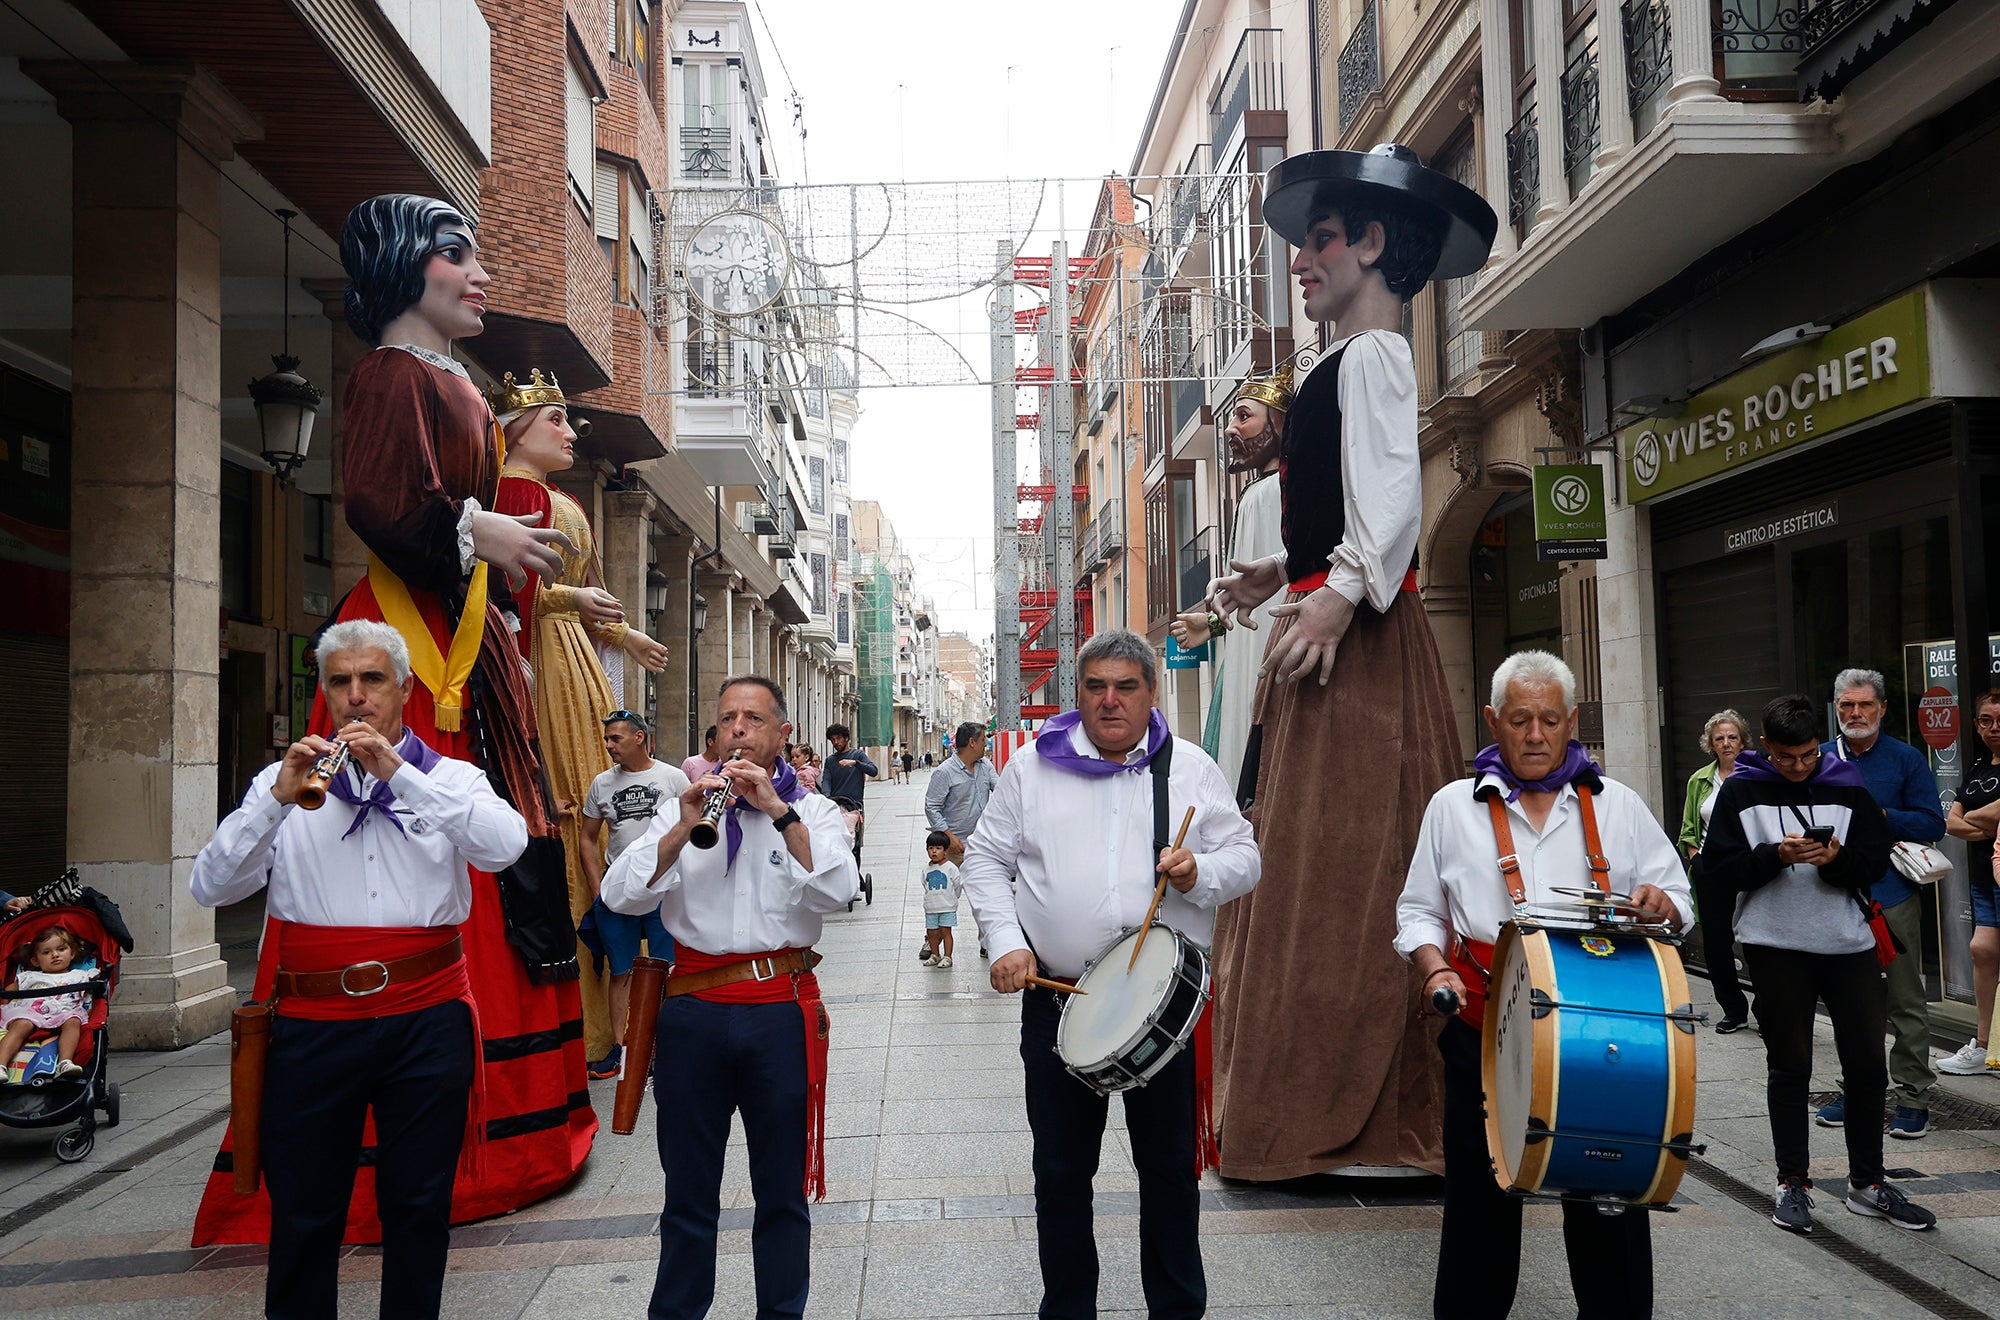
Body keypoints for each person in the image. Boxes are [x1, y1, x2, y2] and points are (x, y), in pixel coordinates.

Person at [194, 195, 592, 1247]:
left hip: (459, 631)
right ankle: (463, 1125)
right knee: (422, 816)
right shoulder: (389, 376)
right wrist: (482, 528)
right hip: (414, 637)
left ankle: (490, 1122)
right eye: (456, 255)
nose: (479, 273)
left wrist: (502, 554)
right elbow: (377, 497)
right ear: (404, 268)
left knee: (482, 834)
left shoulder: (447, 379)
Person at [1206, 144, 1495, 1180]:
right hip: (1337, 632)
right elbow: (1344, 507)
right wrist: (1274, 578)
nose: (1299, 262)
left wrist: (1331, 596)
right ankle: (1349, 1116)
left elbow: (1392, 504)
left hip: (1361, 649)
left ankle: (1368, 1121)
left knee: (1348, 872)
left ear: (1370, 242)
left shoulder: (1371, 354)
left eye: (1316, 240)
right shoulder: (1338, 362)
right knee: (1328, 868)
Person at [190, 620, 531, 1316]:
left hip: (426, 1017)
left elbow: (505, 847)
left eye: (372, 680)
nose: (356, 697)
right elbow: (210, 888)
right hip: (315, 1023)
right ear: (324, 689)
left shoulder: (451, 777)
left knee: (417, 1204)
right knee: (306, 1209)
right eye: (341, 681)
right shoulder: (281, 782)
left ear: (404, 689)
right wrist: (275, 804)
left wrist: (400, 775)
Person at [961, 629, 1260, 1320]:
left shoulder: (1188, 768)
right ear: (1080, 695)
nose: (1110, 700)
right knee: (1061, 1176)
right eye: (1096, 687)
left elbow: (1246, 857)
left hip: (1164, 1009)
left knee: (1168, 1176)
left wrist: (1200, 871)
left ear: (1152, 694)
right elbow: (983, 860)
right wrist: (1006, 941)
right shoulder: (1033, 768)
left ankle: (1178, 1310)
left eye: (1126, 686)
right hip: (1061, 1002)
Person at [1396, 650, 1691, 1317]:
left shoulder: (1619, 804)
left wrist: (1662, 904)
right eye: (1521, 719)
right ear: (1493, 720)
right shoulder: (1451, 806)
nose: (1535, 735)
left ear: (1572, 721)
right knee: (1480, 1205)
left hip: (1602, 1033)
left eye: (1549, 720)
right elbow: (1417, 909)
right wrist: (1434, 964)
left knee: (1607, 1201)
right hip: (1485, 1035)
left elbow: (1679, 895)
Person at [601, 676, 858, 1320]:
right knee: (687, 1191)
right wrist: (682, 827)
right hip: (692, 1013)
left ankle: (781, 1311)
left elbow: (839, 890)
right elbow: (620, 895)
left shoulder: (817, 811)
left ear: (781, 733)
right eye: (726, 720)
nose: (738, 730)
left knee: (780, 1192)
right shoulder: (682, 805)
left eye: (753, 719)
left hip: (779, 1012)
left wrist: (780, 811)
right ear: (714, 735)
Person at [1700, 693, 1937, 1235]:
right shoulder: (1742, 789)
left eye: (1807, 755)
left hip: (1847, 943)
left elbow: (1875, 862)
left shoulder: (1847, 784)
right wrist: (1774, 857)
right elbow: (1717, 870)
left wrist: (1835, 861)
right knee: (1790, 1065)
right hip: (1774, 944)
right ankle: (1793, 1183)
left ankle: (1867, 1183)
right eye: (1786, 757)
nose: (1799, 767)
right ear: (1766, 747)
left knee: (1867, 1066)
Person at [495, 369, 669, 1076]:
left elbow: (587, 593)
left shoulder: (563, 499)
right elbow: (508, 593)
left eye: (568, 421)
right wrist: (580, 604)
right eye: (555, 421)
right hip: (543, 657)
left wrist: (624, 635)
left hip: (576, 659)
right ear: (516, 430)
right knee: (572, 798)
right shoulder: (513, 493)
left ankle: (613, 1014)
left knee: (595, 783)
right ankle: (586, 1016)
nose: (570, 433)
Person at [1812, 668, 1946, 1139]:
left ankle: (1913, 1098)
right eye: (1846, 705)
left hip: (1890, 894)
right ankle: (1858, 1089)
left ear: (1882, 708)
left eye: (1864, 705)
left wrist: (1883, 816)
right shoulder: (1820, 757)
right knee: (1852, 1004)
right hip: (1833, 894)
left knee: (1906, 999)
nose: (1855, 714)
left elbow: (1933, 823)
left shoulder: (1906, 760)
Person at [1169, 366, 1290, 800]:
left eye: (1244, 417)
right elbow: (1248, 591)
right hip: (1250, 651)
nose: (1231, 431)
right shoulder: (1259, 494)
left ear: (1280, 422)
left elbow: (1270, 588)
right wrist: (1213, 623)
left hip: (1266, 652)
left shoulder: (1273, 493)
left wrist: (1218, 624)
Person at [580, 711, 689, 1081]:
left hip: (662, 890)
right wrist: (598, 887)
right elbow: (587, 837)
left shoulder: (673, 777)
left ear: (639, 737)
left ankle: (665, 1044)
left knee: (664, 969)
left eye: (616, 738)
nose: (609, 745)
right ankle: (620, 1047)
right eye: (607, 739)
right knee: (621, 970)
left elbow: (689, 827)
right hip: (618, 892)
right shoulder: (601, 783)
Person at [1679, 709, 1752, 1033]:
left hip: (1751, 867)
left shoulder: (1756, 775)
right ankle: (1733, 1009)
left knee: (1757, 941)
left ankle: (1767, 1007)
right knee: (1717, 945)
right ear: (1711, 743)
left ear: (1743, 740)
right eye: (1719, 738)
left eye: (1732, 737)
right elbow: (1688, 830)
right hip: (1711, 870)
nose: (1726, 743)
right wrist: (1698, 860)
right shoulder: (1700, 780)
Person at [1941, 688, 2000, 1075]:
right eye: (1986, 720)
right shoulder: (1980, 766)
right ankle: (1982, 1044)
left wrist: (1971, 822)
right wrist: (1984, 824)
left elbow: (1970, 817)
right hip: (1983, 874)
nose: (1994, 728)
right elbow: (1949, 821)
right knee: (1982, 950)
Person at [1, 925, 95, 1080]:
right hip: (31, 1013)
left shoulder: (80, 976)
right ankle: (1, 1065)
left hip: (63, 1012)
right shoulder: (29, 976)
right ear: (36, 961)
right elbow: (7, 992)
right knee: (21, 1024)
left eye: (61, 949)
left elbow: (93, 993)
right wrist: (4, 1005)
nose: (55, 955)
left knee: (73, 1021)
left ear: (72, 953)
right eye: (46, 952)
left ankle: (64, 1062)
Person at [924, 721, 998, 865]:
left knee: (980, 887)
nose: (986, 744)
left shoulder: (986, 765)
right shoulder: (944, 772)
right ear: (972, 742)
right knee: (953, 887)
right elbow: (931, 807)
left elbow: (1002, 791)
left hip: (982, 845)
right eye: (983, 739)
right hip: (956, 848)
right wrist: (949, 837)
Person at [920, 831, 961, 968]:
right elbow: (925, 884)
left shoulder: (951, 868)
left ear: (945, 850)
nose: (934, 852)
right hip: (931, 907)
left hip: (947, 907)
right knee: (931, 932)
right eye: (931, 848)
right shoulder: (926, 868)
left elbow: (958, 885)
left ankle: (948, 956)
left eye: (938, 848)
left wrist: (953, 899)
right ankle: (935, 954)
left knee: (946, 931)